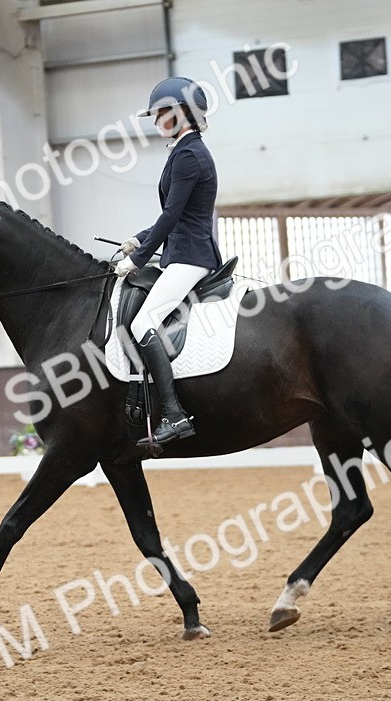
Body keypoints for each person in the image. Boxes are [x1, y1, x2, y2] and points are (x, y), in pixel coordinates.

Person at [120, 76, 223, 446]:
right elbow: (172, 216)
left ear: (185, 114)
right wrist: (138, 239)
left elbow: (172, 217)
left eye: (164, 111)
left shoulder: (189, 155)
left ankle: (174, 414)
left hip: (192, 255)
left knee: (142, 322)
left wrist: (140, 258)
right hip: (183, 250)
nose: (157, 119)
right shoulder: (183, 151)